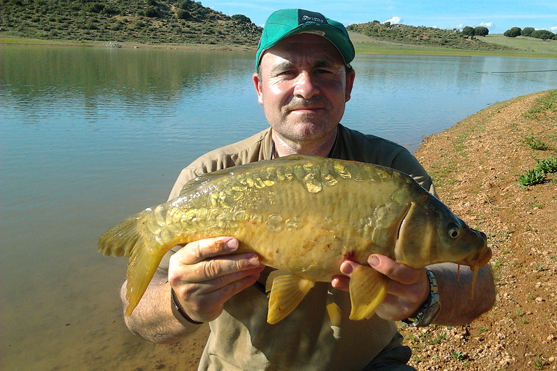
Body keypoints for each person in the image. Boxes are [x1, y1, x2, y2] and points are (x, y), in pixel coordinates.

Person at [120, 8, 496, 371]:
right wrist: (180, 303)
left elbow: (480, 291)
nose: (306, 87)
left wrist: (424, 293)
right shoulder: (211, 175)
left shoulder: (390, 170)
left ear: (347, 84)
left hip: (369, 364)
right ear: (259, 87)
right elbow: (138, 317)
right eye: (286, 71)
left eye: (323, 70)